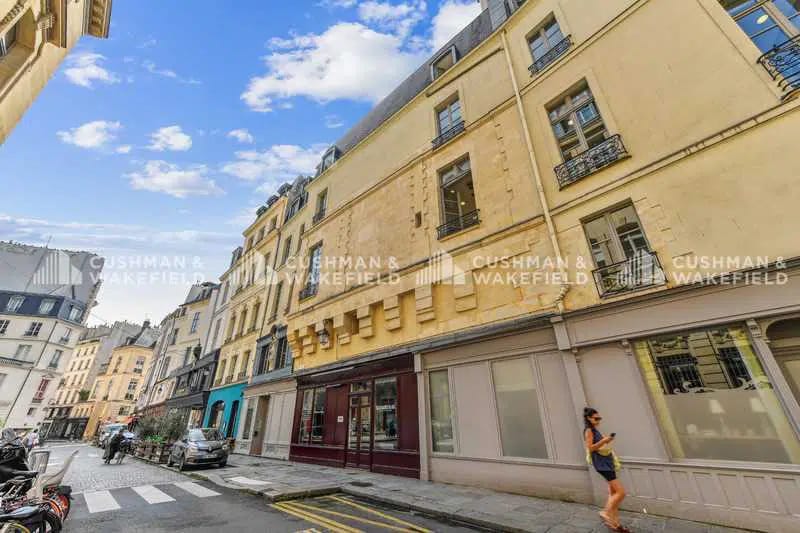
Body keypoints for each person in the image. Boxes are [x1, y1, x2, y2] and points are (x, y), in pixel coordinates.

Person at [583, 407, 628, 532]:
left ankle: (615, 523)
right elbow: (590, 448)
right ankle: (606, 512)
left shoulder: (594, 429)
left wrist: (607, 440)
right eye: (596, 418)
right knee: (621, 492)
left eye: (599, 419)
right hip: (602, 464)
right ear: (588, 418)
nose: (598, 421)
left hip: (607, 463)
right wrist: (604, 440)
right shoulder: (588, 431)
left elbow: (600, 445)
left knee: (613, 493)